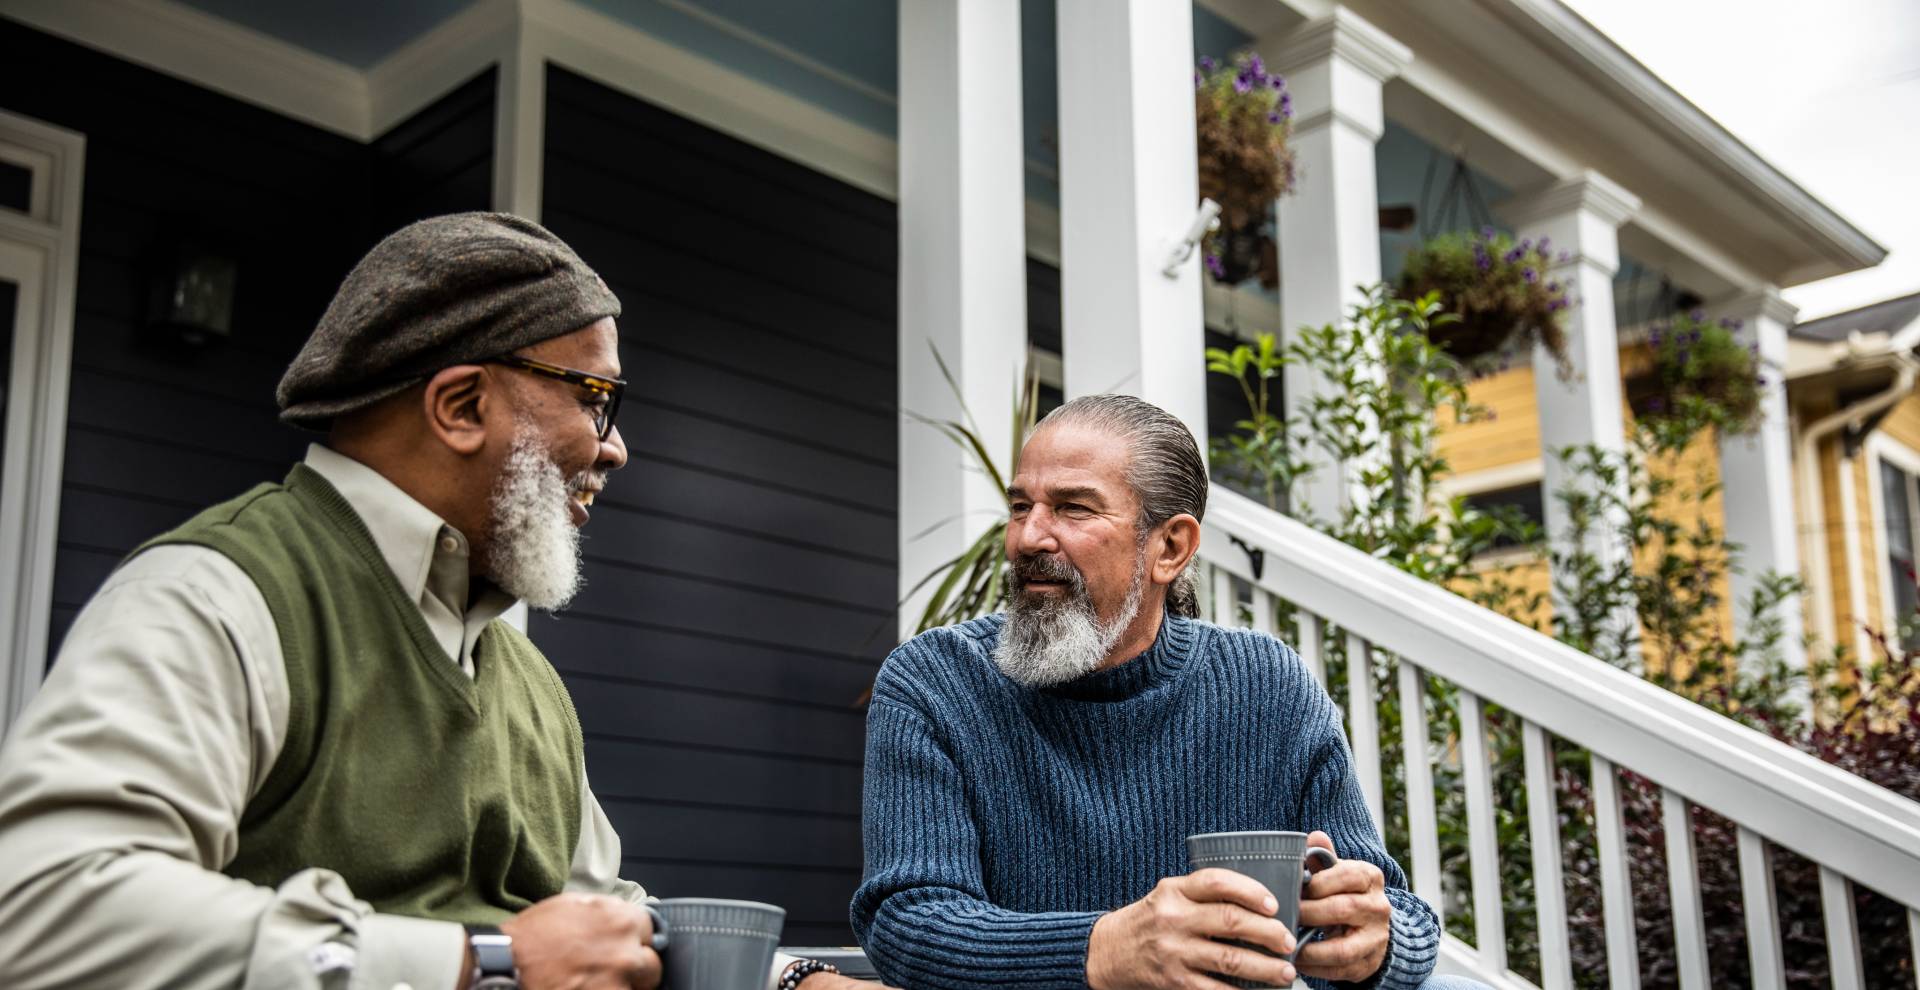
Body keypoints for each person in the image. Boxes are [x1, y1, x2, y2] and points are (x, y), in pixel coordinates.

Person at [0, 213, 862, 990]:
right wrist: (481, 963)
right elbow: (41, 907)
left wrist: (798, 982)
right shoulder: (219, 595)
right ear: (459, 405)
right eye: (595, 399)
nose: (618, 450)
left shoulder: (528, 682)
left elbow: (604, 925)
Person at [853, 394, 1488, 990]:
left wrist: (1378, 945)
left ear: (1171, 547)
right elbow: (908, 920)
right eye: (1021, 507)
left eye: (1073, 508)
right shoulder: (934, 680)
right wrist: (1105, 947)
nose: (1028, 538)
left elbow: (1392, 908)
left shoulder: (1267, 685)